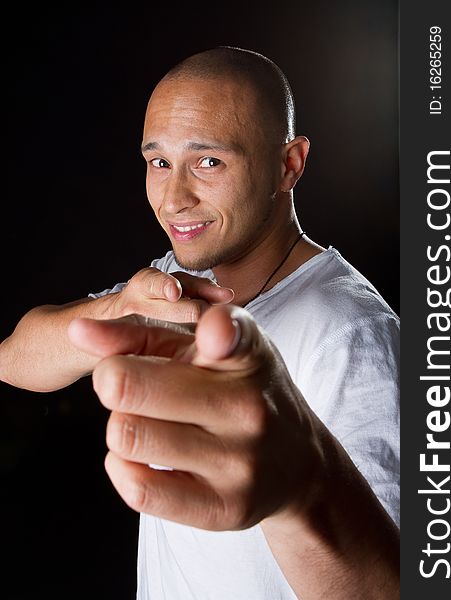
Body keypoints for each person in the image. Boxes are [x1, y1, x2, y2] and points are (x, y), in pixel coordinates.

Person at [0, 47, 399, 598]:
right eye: (159, 162)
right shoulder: (173, 278)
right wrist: (120, 311)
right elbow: (14, 361)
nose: (173, 199)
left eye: (209, 162)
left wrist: (302, 489)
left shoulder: (351, 332)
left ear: (289, 165)